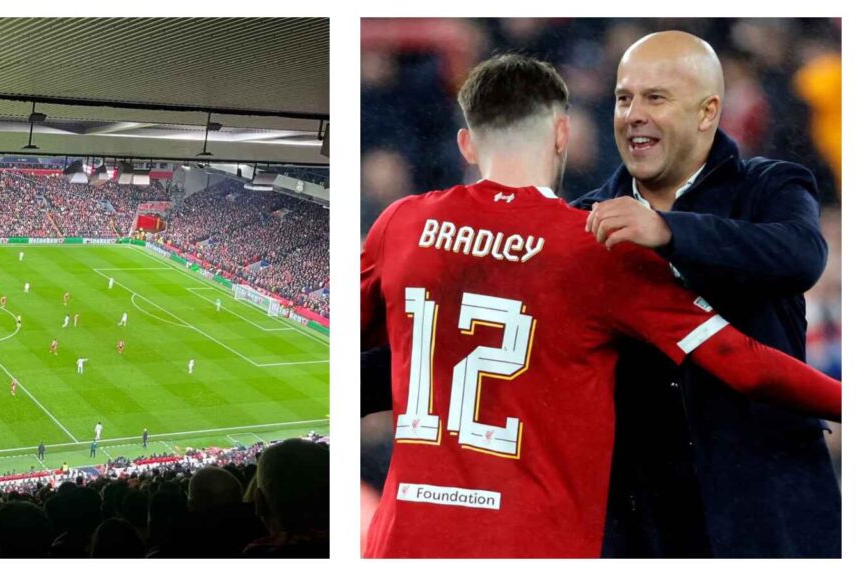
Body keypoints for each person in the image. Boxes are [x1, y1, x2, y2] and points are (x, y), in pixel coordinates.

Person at [359, 54, 840, 558]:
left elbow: (361, 347)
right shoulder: (595, 247)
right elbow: (741, 361)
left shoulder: (401, 223)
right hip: (533, 541)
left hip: (403, 539)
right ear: (563, 134)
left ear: (466, 144)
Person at [574, 31, 839, 558]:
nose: (633, 114)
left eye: (655, 97)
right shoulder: (580, 219)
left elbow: (800, 255)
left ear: (706, 111)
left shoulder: (770, 185)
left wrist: (669, 231)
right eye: (624, 98)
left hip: (769, 511)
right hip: (640, 521)